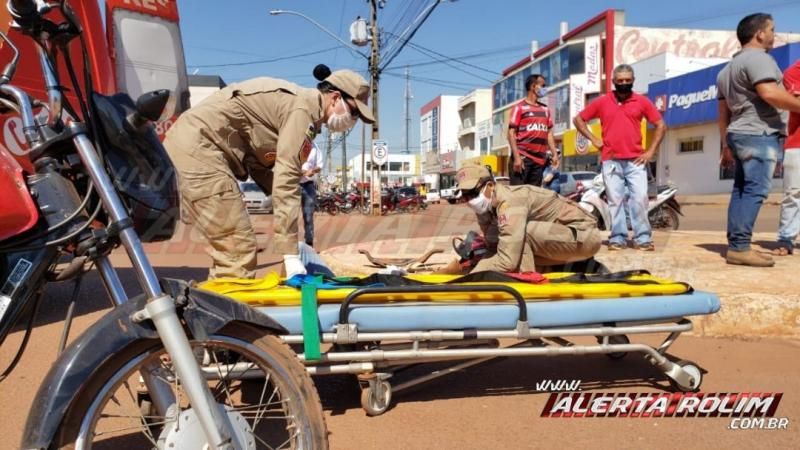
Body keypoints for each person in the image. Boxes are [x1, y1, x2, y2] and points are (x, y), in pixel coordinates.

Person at [165, 65, 374, 279]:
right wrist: (290, 253)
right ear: (335, 98)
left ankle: (220, 305)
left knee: (235, 249)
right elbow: (285, 179)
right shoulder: (302, 111)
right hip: (199, 149)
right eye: (354, 112)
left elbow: (260, 163)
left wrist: (282, 196)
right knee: (237, 247)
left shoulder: (305, 112)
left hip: (199, 148)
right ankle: (226, 310)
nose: (353, 120)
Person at [717, 13, 800, 266]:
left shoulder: (726, 70)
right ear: (759, 34)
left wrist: (724, 144)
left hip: (739, 133)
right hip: (758, 133)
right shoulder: (759, 59)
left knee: (742, 189)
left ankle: (737, 245)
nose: (775, 35)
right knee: (754, 190)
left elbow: (723, 112)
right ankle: (740, 248)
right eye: (772, 30)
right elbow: (769, 92)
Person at [444, 162, 602, 274]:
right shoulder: (486, 208)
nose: (469, 200)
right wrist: (466, 267)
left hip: (584, 236)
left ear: (490, 186)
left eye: (472, 193)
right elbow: (494, 248)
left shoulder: (510, 201)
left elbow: (506, 261)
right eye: (464, 196)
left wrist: (471, 276)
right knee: (508, 245)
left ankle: (527, 280)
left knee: (520, 237)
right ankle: (563, 268)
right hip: (562, 239)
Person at [574, 64, 666, 252]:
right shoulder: (602, 101)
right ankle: (618, 238)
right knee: (615, 201)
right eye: (620, 81)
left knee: (640, 198)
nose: (624, 83)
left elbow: (660, 125)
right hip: (611, 160)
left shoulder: (642, 101)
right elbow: (578, 119)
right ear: (613, 82)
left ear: (632, 81)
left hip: (636, 160)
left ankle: (643, 238)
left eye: (627, 80)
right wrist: (594, 139)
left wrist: (650, 152)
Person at [508, 74, 560, 187]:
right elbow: (511, 133)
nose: (545, 88)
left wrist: (554, 154)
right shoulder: (519, 108)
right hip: (523, 158)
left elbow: (549, 133)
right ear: (533, 86)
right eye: (543, 85)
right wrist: (517, 157)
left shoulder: (545, 110)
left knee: (533, 198)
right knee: (518, 197)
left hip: (539, 161)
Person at [775, 59, 800, 256]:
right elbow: (795, 101)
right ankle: (786, 238)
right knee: (793, 194)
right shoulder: (793, 71)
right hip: (797, 144)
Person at [300, 141, 324, 247]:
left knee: (308, 217)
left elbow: (319, 165)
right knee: (289, 216)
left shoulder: (315, 147)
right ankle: (289, 249)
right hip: (292, 185)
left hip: (308, 185)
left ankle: (309, 245)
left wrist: (312, 170)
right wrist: (301, 172)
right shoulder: (291, 142)